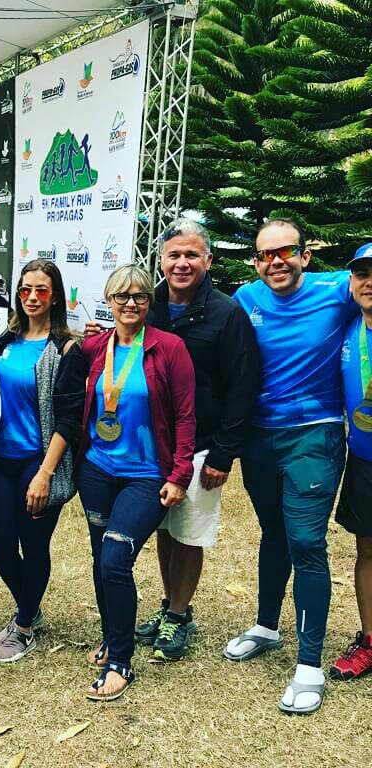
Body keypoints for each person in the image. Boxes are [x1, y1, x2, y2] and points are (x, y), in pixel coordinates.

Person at [225, 218, 356, 715]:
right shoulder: (245, 298)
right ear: (255, 261)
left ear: (305, 254)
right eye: (265, 254)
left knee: (306, 542)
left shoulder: (337, 290)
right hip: (259, 439)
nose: (276, 262)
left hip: (315, 435)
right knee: (273, 532)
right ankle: (266, 626)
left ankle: (309, 665)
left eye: (286, 251)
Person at [127, 220, 258, 661]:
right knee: (165, 528)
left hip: (201, 446)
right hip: (154, 446)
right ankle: (170, 603)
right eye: (174, 256)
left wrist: (223, 453)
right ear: (161, 261)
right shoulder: (150, 306)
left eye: (191, 255)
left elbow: (242, 386)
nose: (182, 264)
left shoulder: (227, 313)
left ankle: (179, 615)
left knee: (189, 534)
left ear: (208, 260)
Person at [78, 264, 195, 701]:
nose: (130, 303)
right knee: (100, 558)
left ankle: (121, 662)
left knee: (115, 559)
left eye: (140, 296)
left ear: (149, 302)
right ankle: (112, 638)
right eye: (122, 296)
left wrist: (180, 474)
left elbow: (186, 415)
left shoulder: (169, 347)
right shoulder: (94, 346)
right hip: (96, 469)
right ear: (108, 301)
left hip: (146, 475)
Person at [0, 260, 86, 663]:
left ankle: (24, 624)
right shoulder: (4, 342)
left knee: (34, 544)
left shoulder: (65, 350)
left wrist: (45, 474)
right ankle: (31, 603)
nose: (31, 297)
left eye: (41, 290)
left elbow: (69, 420)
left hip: (38, 463)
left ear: (55, 296)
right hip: (0, 461)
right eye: (25, 289)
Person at [329, 243, 372, 681]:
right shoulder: (347, 330)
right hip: (363, 459)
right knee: (367, 550)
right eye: (362, 273)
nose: (370, 282)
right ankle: (369, 639)